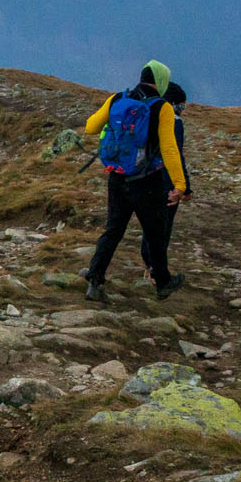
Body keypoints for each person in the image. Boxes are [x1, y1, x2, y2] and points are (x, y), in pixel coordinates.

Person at [82, 60, 188, 302]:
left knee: (113, 231)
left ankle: (94, 280)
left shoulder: (118, 98)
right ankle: (163, 283)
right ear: (161, 81)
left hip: (117, 177)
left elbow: (90, 127)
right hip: (147, 181)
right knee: (155, 233)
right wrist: (179, 185)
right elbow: (170, 149)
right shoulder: (162, 107)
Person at [140, 79, 188, 276]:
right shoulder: (174, 123)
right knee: (163, 227)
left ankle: (148, 262)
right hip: (167, 182)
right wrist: (185, 185)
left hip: (146, 178)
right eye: (182, 105)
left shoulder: (148, 117)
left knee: (150, 223)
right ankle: (157, 270)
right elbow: (176, 154)